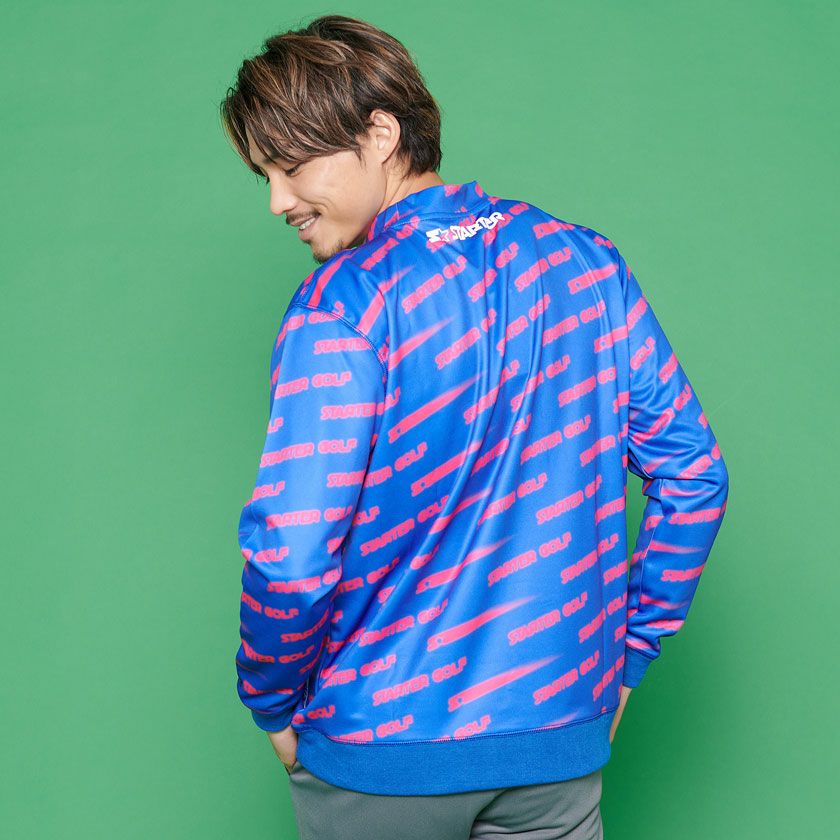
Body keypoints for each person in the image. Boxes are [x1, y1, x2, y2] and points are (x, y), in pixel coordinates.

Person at [220, 14, 729, 840]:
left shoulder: (344, 304)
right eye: (265, 175)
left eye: (293, 166)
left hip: (379, 760)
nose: (278, 200)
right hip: (556, 753)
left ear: (380, 134)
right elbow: (694, 475)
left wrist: (270, 699)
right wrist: (626, 659)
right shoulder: (585, 264)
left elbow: (293, 551)